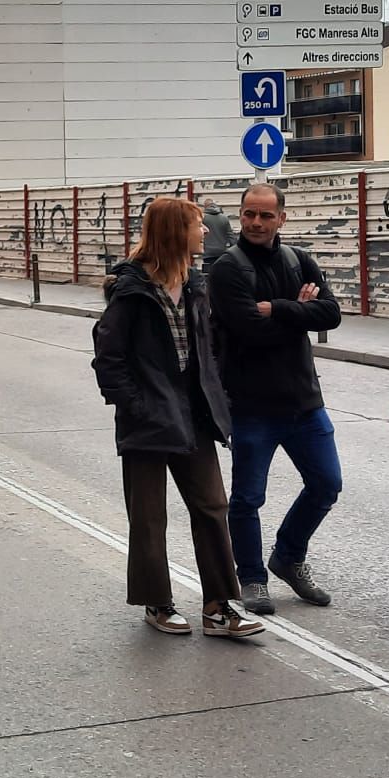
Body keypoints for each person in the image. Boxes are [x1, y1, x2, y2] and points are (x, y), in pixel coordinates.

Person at [91, 196, 263, 640]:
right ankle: (158, 601)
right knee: (149, 516)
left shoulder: (194, 287)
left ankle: (220, 606)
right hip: (148, 420)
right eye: (197, 226)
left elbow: (208, 351)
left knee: (212, 507)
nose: (206, 232)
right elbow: (108, 360)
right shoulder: (131, 291)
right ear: (173, 232)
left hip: (194, 416)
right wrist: (137, 406)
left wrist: (216, 398)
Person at [208, 183, 343, 616]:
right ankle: (252, 578)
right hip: (251, 406)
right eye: (249, 214)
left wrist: (277, 309)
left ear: (281, 218)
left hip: (304, 402)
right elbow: (248, 330)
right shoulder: (228, 269)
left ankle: (287, 556)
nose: (256, 223)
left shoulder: (298, 259)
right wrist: (297, 310)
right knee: (248, 498)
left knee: (326, 484)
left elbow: (332, 314)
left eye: (266, 215)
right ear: (239, 215)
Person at [200, 198, 237, 271]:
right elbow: (231, 237)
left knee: (209, 274)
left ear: (205, 206)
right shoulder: (224, 218)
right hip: (221, 252)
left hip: (208, 253)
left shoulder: (202, 218)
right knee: (221, 272)